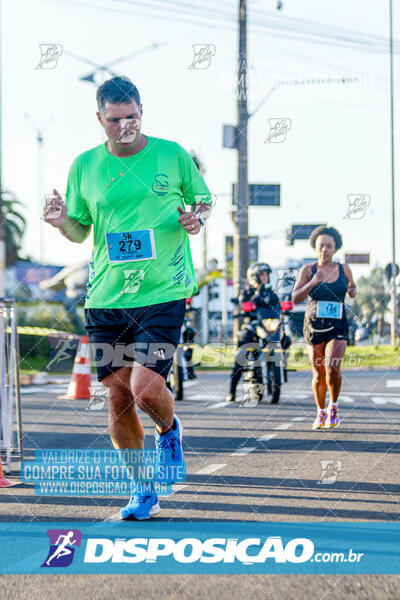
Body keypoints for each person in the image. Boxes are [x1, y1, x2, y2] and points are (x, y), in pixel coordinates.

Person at [44, 76, 213, 519]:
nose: (125, 126)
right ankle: (142, 491)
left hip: (163, 291)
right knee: (117, 399)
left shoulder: (172, 155)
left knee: (144, 389)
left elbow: (204, 201)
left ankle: (169, 428)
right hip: (106, 297)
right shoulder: (84, 166)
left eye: (132, 117)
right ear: (99, 118)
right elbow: (81, 230)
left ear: (142, 111)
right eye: (115, 119)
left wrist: (195, 218)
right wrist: (63, 221)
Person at [292, 226, 357, 429]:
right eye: (321, 246)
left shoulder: (344, 269)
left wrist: (353, 290)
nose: (325, 250)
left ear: (335, 248)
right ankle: (321, 411)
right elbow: (295, 298)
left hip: (338, 324)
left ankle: (333, 406)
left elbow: (352, 289)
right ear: (315, 248)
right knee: (318, 372)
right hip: (314, 325)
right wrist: (312, 282)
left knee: (333, 367)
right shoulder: (308, 270)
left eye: (329, 246)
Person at [226, 262, 281, 402]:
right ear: (254, 277)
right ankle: (231, 390)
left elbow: (278, 307)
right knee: (241, 354)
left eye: (266, 274)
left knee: (283, 339)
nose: (265, 277)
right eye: (262, 274)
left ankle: (276, 378)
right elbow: (242, 303)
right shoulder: (247, 292)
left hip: (268, 326)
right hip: (251, 326)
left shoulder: (271, 293)